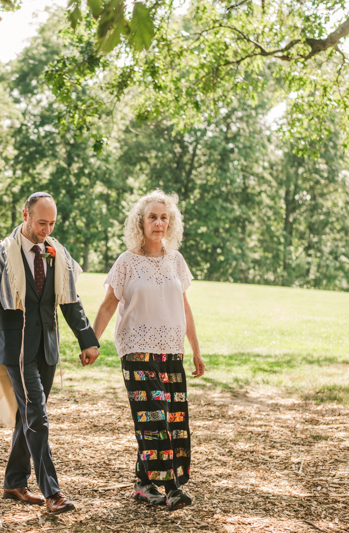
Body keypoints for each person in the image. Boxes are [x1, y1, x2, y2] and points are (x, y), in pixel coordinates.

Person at [0, 192, 100, 514]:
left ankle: (14, 482)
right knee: (37, 415)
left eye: (52, 223)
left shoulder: (58, 254)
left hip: (48, 348)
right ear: (25, 214)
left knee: (28, 416)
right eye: (41, 222)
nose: (46, 229)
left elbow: (70, 301)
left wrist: (87, 339)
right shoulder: (1, 255)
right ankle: (53, 492)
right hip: (17, 350)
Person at [92, 189, 205, 511]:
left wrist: (195, 350)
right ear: (140, 223)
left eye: (164, 217)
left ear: (170, 224)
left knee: (171, 419)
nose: (158, 222)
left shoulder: (176, 261)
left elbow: (184, 308)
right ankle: (171, 488)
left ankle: (143, 484)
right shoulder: (127, 262)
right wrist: (92, 341)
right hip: (136, 351)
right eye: (152, 217)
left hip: (171, 353)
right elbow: (108, 305)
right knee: (155, 420)